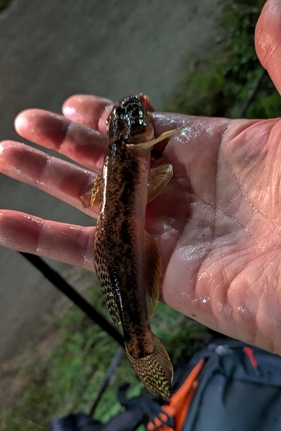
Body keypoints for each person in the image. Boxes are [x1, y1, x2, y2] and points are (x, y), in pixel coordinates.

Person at [0, 0, 280, 354]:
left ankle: (136, 334)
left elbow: (149, 173)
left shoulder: (128, 153)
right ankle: (138, 339)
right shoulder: (136, 151)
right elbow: (154, 171)